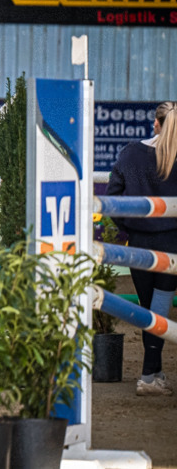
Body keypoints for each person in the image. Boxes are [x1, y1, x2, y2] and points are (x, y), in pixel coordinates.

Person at [107, 101, 177, 396]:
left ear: (156, 123)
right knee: (159, 308)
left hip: (138, 244)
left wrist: (131, 227)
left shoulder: (131, 152)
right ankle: (150, 375)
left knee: (148, 307)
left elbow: (113, 197)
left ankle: (153, 373)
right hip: (172, 244)